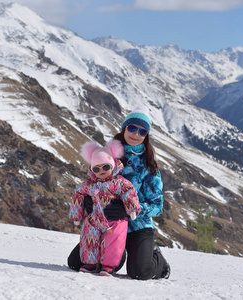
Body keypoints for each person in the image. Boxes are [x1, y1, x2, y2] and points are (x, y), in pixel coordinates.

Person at [68, 106, 171, 280]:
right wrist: (88, 200)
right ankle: (117, 255)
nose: (136, 134)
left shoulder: (149, 166)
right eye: (132, 128)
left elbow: (157, 206)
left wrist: (128, 210)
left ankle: (158, 262)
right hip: (106, 225)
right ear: (124, 128)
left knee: (140, 272)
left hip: (138, 226)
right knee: (76, 263)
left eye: (142, 131)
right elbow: (93, 181)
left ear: (146, 136)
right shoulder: (108, 156)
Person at [69, 139, 142, 277]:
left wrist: (131, 209)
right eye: (97, 168)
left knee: (113, 240)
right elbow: (78, 193)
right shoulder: (89, 184)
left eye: (106, 167)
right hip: (94, 218)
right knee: (89, 238)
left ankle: (108, 265)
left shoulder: (118, 182)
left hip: (114, 219)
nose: (101, 171)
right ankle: (90, 263)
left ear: (113, 165)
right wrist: (77, 214)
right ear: (92, 169)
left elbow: (129, 191)